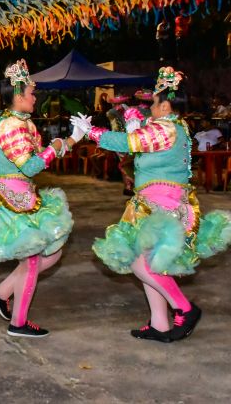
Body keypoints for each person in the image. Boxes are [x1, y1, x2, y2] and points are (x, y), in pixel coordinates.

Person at [72, 67, 231, 342]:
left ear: (166, 105)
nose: (151, 109)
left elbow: (130, 143)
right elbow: (140, 144)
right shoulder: (174, 126)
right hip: (156, 203)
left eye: (153, 104)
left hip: (162, 206)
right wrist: (134, 123)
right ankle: (160, 324)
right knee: (150, 263)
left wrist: (91, 132)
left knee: (138, 262)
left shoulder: (167, 127)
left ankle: (184, 308)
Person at [0, 59, 78, 338]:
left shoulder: (23, 123)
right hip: (12, 199)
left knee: (52, 253)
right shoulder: (10, 126)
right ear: (19, 95)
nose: (35, 98)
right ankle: (18, 323)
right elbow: (31, 165)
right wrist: (56, 148)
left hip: (24, 195)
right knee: (32, 260)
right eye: (32, 93)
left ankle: (1, 292)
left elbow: (41, 156)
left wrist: (72, 140)